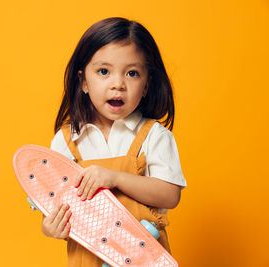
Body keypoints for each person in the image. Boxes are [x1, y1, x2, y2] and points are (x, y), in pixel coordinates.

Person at [41, 17, 187, 266]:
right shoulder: (67, 140)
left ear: (146, 84)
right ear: (84, 81)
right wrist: (50, 227)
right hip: (87, 259)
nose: (117, 84)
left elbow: (170, 194)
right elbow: (55, 201)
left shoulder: (154, 136)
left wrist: (114, 178)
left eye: (132, 73)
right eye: (104, 72)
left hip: (144, 259)